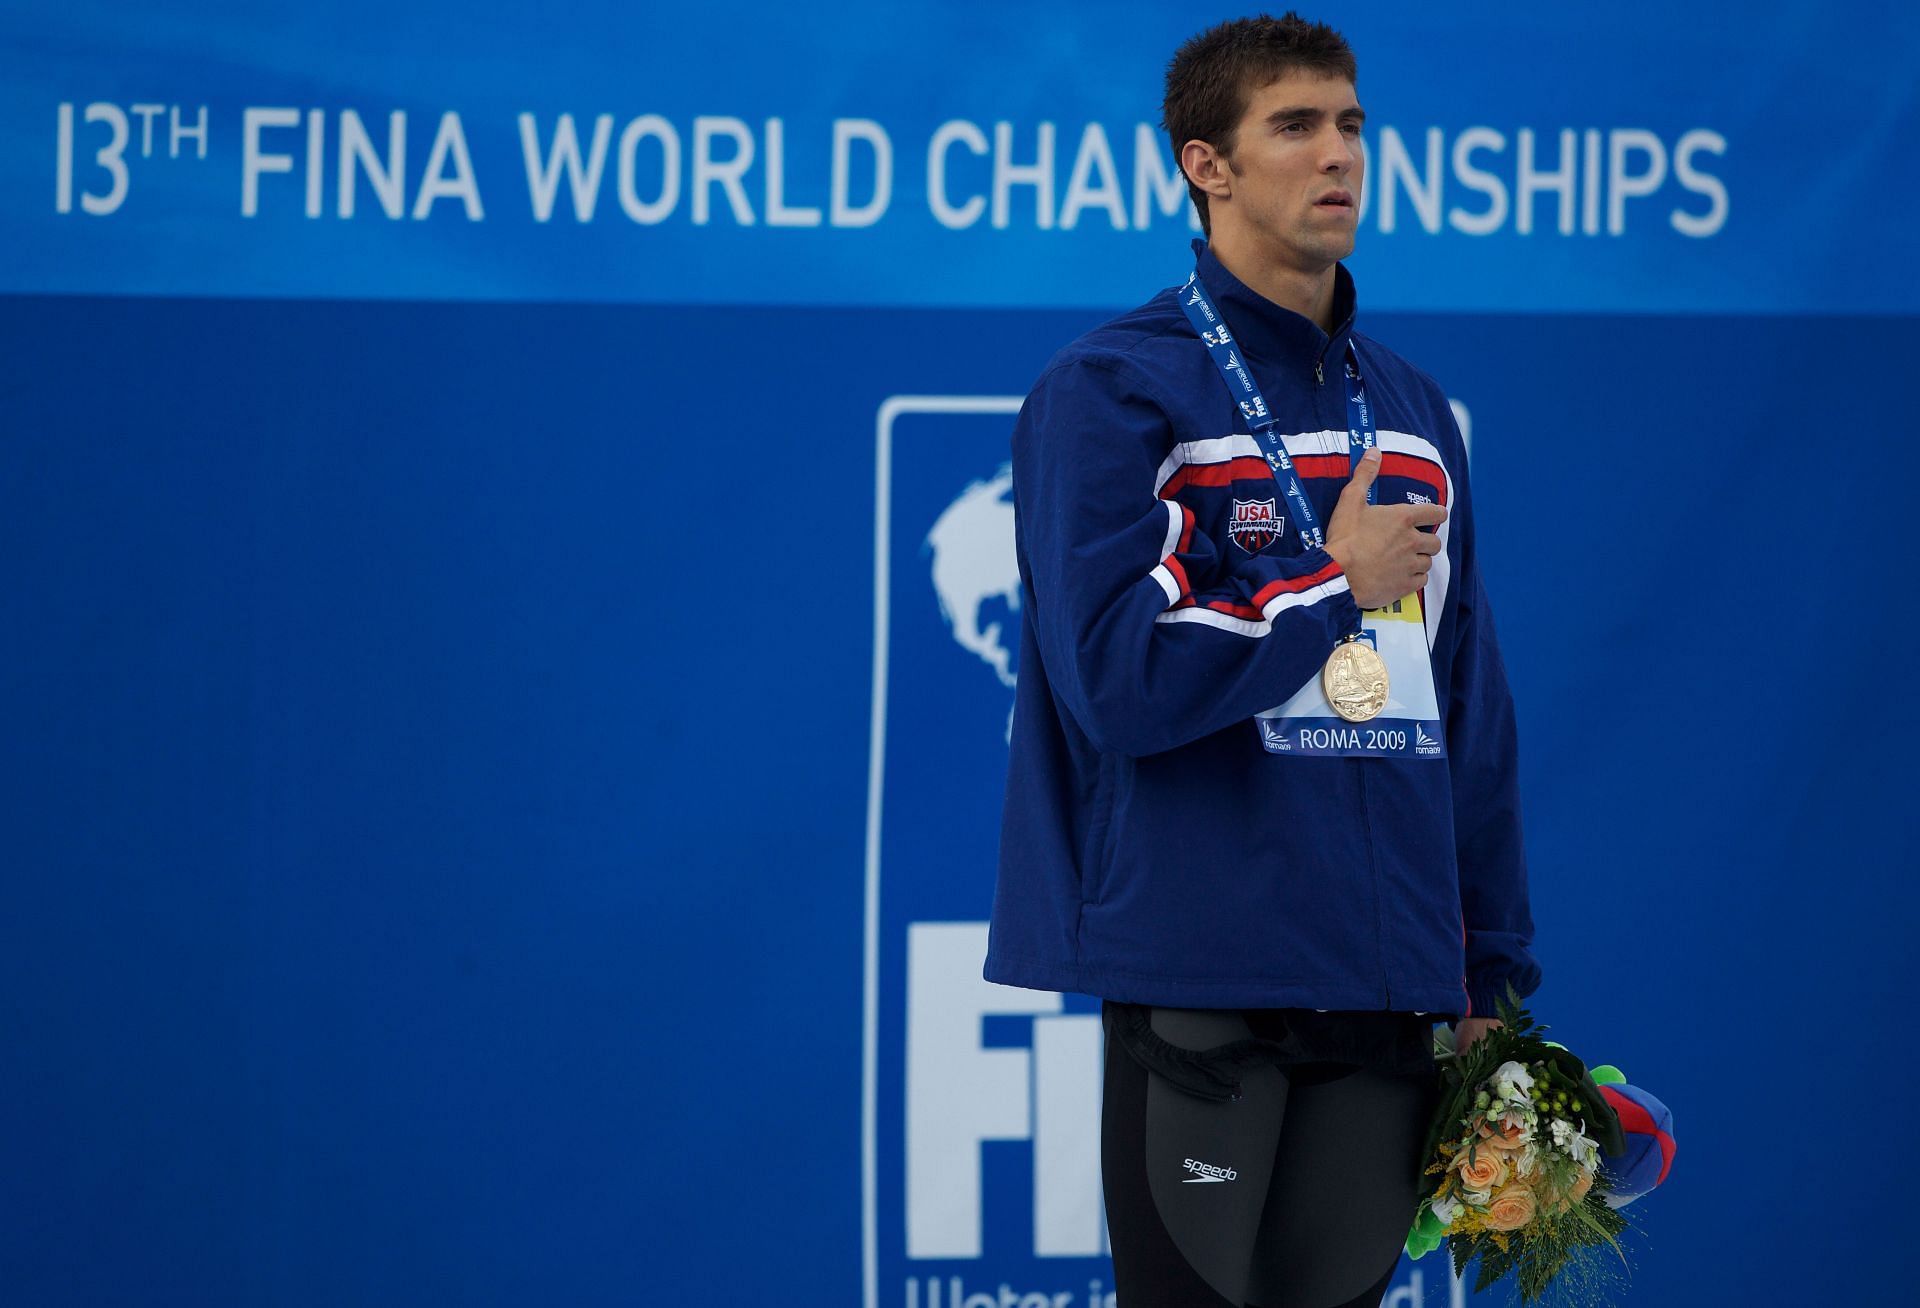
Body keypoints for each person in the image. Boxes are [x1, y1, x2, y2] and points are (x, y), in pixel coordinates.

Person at [983, 13, 1541, 1307]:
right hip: (1204, 978)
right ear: (1207, 165)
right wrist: (1328, 584)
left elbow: (1468, 705)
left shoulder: (1409, 411)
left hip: (1388, 983)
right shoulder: (1115, 393)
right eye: (1295, 126)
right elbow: (1118, 682)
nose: (1338, 155)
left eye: (1351, 124)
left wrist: (1491, 966)